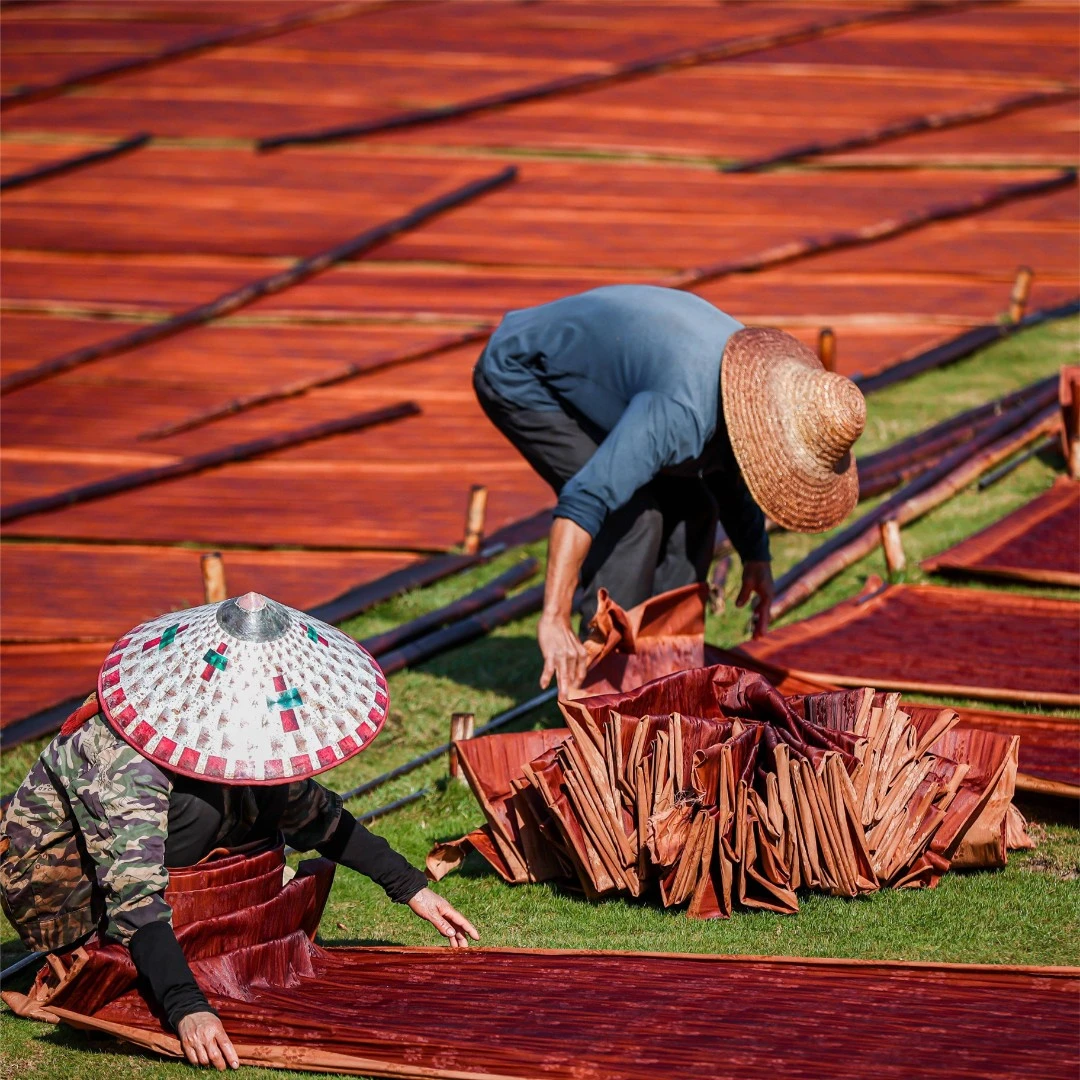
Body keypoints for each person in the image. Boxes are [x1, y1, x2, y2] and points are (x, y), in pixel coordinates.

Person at [0, 592, 477, 1072]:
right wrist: (187, 1007)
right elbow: (134, 895)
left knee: (265, 791)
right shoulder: (128, 762)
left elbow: (315, 815)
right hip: (62, 889)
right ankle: (123, 947)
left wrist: (410, 886)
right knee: (209, 811)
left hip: (154, 852)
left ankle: (204, 927)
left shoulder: (233, 738)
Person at [473, 285, 866, 693]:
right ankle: (603, 690)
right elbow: (586, 500)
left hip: (634, 377)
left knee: (695, 509)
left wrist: (756, 557)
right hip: (524, 373)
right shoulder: (682, 411)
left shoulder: (748, 386)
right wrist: (552, 617)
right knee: (633, 516)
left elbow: (728, 469)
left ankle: (663, 676)